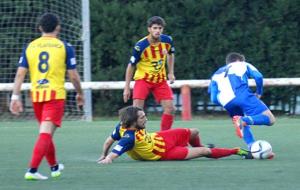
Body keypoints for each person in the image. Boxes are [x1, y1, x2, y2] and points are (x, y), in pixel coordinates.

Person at [9, 13, 84, 180]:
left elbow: (20, 74)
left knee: (46, 133)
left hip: (36, 96)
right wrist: (80, 93)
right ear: (58, 27)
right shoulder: (65, 46)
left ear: (40, 28)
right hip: (54, 96)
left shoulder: (30, 46)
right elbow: (73, 76)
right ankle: (32, 170)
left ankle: (54, 167)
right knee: (45, 133)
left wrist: (15, 96)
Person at [97, 106, 250, 164]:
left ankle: (200, 146)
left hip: (160, 137)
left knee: (195, 131)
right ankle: (237, 151)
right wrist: (107, 159)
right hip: (164, 153)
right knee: (205, 152)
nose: (146, 119)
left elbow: (107, 142)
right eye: (142, 118)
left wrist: (103, 154)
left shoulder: (121, 126)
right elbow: (115, 153)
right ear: (133, 122)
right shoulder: (129, 137)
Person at [208, 52, 275, 158]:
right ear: (240, 60)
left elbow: (213, 98)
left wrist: (225, 103)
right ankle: (244, 120)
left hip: (226, 102)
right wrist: (259, 92)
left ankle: (253, 149)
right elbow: (258, 76)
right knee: (270, 119)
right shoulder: (243, 64)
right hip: (242, 94)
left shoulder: (215, 74)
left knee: (239, 120)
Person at [123, 16, 176, 131]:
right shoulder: (140, 46)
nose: (157, 30)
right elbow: (131, 66)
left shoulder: (168, 41)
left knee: (170, 108)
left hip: (160, 80)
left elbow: (171, 54)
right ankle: (136, 138)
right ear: (149, 29)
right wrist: (127, 87)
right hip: (143, 80)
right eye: (155, 28)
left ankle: (164, 137)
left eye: (160, 28)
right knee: (136, 111)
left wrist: (171, 72)